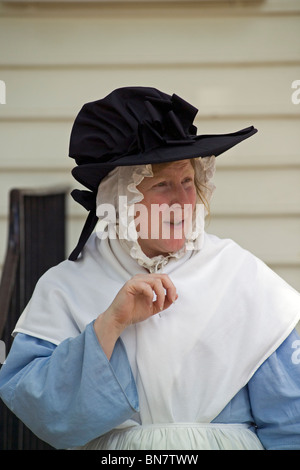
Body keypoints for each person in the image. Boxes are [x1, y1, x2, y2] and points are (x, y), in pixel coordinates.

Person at [0, 87, 300, 450]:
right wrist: (109, 325)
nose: (182, 200)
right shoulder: (69, 285)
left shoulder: (238, 273)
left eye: (188, 181)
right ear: (121, 200)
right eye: (162, 185)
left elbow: (290, 420)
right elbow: (44, 411)